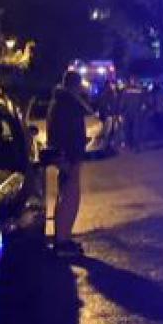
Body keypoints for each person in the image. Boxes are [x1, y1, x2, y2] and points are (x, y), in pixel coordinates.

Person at [46, 70, 92, 254]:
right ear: (75, 85)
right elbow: (66, 132)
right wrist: (66, 155)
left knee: (65, 196)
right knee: (69, 198)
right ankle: (63, 241)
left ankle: (62, 237)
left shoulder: (60, 101)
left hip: (67, 156)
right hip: (69, 157)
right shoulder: (67, 103)